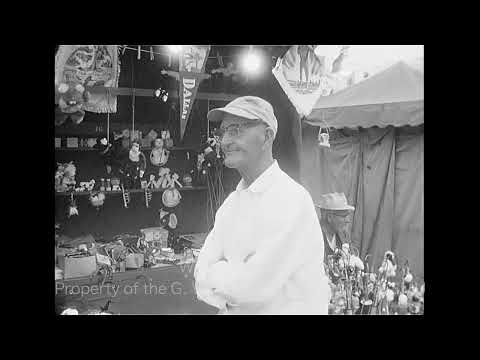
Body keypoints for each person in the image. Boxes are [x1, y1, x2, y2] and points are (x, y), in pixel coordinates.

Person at [194, 96, 331, 314]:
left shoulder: (291, 200)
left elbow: (251, 290)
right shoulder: (231, 205)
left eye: (236, 130)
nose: (226, 141)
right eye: (223, 132)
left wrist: (220, 271)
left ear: (267, 136)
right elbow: (200, 277)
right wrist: (236, 275)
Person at [315, 192, 355, 258]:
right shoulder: (314, 237)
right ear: (329, 217)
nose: (348, 220)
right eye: (344, 216)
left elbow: (352, 260)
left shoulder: (344, 236)